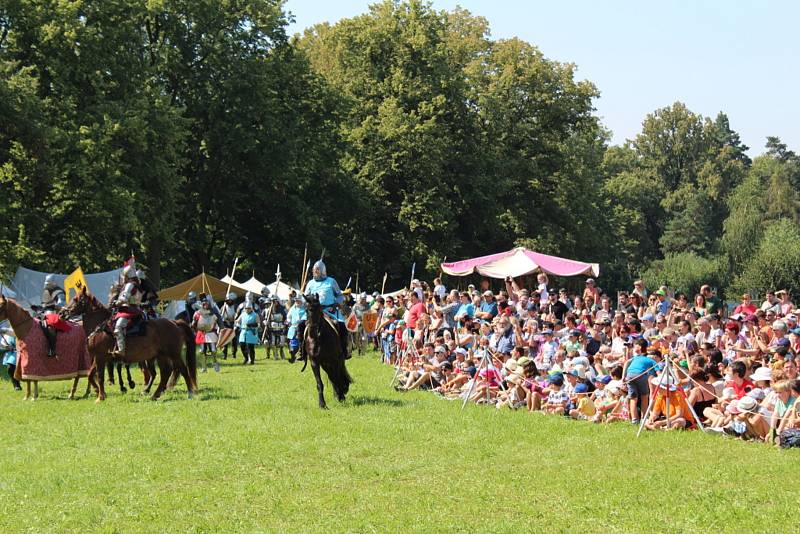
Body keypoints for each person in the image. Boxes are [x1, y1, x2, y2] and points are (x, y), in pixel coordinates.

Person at [304, 260, 350, 359]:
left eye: (317, 270)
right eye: (314, 270)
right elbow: (306, 298)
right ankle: (302, 351)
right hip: (315, 313)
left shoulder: (331, 281)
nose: (316, 272)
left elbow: (340, 296)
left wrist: (336, 304)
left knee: (341, 326)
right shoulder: (310, 283)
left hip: (329, 311)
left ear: (322, 270)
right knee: (300, 326)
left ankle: (344, 350)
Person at [112, 265, 142, 357]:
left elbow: (124, 299)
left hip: (129, 310)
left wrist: (116, 303)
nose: (123, 278)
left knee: (118, 326)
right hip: (131, 309)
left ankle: (121, 350)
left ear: (127, 276)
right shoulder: (135, 285)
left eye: (124, 276)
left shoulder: (130, 285)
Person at [40, 273, 68, 357]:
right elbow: (44, 304)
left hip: (54, 313)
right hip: (44, 312)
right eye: (47, 283)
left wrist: (53, 306)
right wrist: (38, 307)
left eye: (49, 283)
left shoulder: (58, 291)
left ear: (54, 283)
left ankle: (52, 349)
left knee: (50, 326)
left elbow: (62, 304)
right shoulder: (46, 291)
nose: (47, 285)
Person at [193, 300, 220, 373]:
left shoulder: (213, 314)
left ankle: (215, 364)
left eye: (207, 305)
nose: (205, 306)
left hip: (211, 333)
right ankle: (204, 367)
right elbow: (194, 324)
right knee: (202, 351)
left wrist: (219, 330)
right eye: (204, 305)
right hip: (202, 333)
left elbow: (218, 323)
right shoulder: (197, 314)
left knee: (213, 350)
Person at [264, 294, 287, 360]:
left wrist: (285, 324)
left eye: (274, 302)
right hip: (272, 328)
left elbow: (285, 318)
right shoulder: (268, 310)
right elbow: (266, 319)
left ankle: (281, 352)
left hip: (281, 327)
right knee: (273, 342)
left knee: (281, 342)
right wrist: (265, 322)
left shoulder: (282, 309)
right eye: (272, 302)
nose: (273, 303)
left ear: (277, 302)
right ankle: (275, 355)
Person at [286, 296, 307, 363]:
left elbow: (305, 316)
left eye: (298, 301)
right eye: (296, 301)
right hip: (293, 327)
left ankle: (302, 355)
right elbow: (288, 316)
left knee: (302, 342)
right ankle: (293, 356)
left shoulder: (304, 309)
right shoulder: (292, 308)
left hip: (302, 327)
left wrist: (301, 321)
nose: (297, 302)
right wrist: (289, 320)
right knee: (293, 343)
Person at [1, 325, 21, 390]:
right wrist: (6, 346)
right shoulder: (7, 329)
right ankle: (16, 385)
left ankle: (18, 384)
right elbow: (2, 342)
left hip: (20, 351)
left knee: (14, 368)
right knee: (10, 368)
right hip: (11, 352)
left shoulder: (20, 328)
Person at [219, 292, 239, 360]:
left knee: (234, 341)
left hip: (234, 325)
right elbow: (220, 317)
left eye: (230, 300)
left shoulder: (236, 307)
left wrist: (235, 321)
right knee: (225, 341)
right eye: (228, 300)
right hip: (226, 325)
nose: (229, 301)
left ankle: (234, 354)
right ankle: (224, 355)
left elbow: (238, 316)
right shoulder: (223, 307)